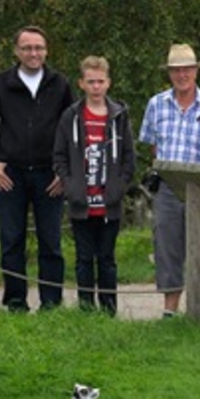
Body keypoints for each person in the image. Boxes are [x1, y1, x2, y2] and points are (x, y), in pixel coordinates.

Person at [0, 25, 75, 312]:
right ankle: (16, 301)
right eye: (28, 48)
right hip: (11, 175)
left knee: (51, 242)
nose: (34, 53)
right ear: (17, 51)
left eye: (39, 48)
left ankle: (52, 303)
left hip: (50, 174)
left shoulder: (60, 84)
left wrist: (64, 170)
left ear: (46, 51)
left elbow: (72, 131)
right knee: (11, 240)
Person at [139, 44, 200, 320]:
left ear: (196, 71)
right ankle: (170, 310)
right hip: (167, 185)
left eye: (187, 69)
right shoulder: (156, 104)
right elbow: (153, 147)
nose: (182, 75)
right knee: (167, 245)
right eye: (176, 70)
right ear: (169, 74)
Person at [53, 56, 136, 316]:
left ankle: (109, 310)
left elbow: (128, 157)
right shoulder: (71, 117)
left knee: (107, 259)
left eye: (100, 81)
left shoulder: (119, 116)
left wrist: (119, 186)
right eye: (91, 82)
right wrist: (70, 184)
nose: (96, 87)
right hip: (81, 201)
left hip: (109, 201)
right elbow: (60, 155)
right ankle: (87, 310)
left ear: (108, 83)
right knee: (84, 259)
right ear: (82, 83)